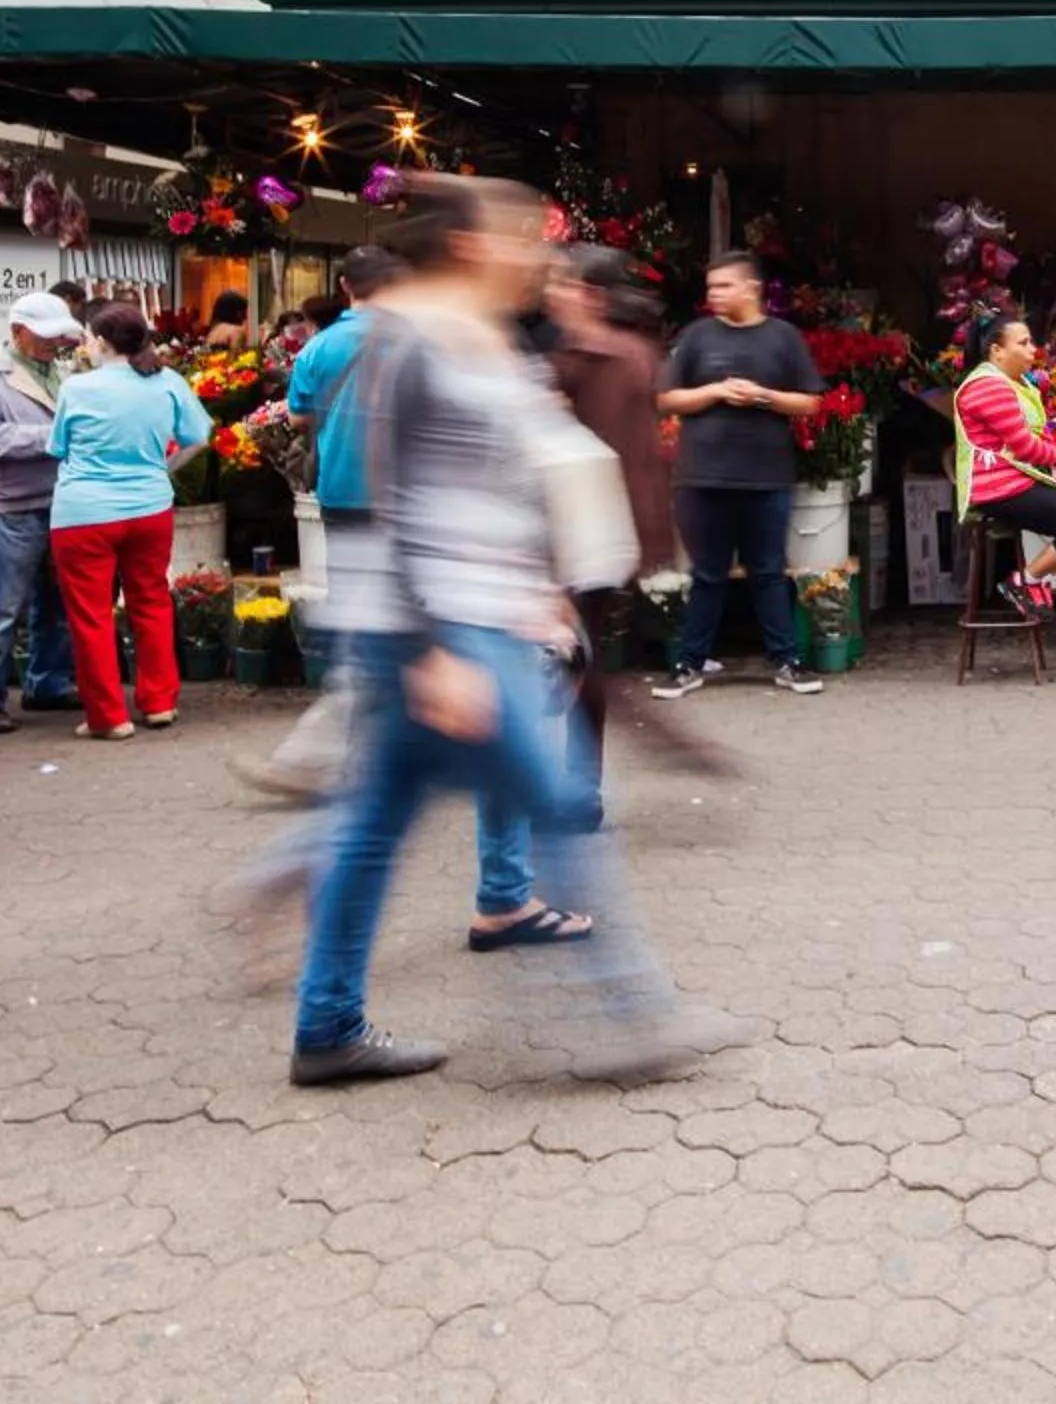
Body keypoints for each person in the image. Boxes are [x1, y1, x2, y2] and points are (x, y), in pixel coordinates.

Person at [292, 177, 697, 1086]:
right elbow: (393, 499)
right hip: (439, 627)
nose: (539, 257)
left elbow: (488, 481)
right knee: (557, 803)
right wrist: (435, 646)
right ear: (473, 246)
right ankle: (635, 1015)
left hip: (464, 616)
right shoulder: (412, 336)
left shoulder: (481, 335)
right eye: (525, 239)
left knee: (370, 826)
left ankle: (326, 1026)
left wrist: (536, 586)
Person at [235, 245, 405, 802]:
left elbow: (301, 414)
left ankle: (336, 757)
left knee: (362, 622)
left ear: (346, 288)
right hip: (408, 502)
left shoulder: (322, 345)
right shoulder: (414, 342)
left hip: (345, 495)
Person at [652, 253, 823, 700]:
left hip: (766, 475)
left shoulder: (783, 338)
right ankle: (689, 664)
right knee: (707, 573)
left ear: (752, 288)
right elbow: (666, 399)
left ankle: (787, 661)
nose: (713, 296)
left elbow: (810, 402)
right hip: (701, 475)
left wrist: (763, 397)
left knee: (768, 570)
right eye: (710, 288)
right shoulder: (696, 337)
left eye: (723, 286)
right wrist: (714, 391)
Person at [546, 247, 676, 800]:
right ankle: (577, 782)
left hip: (589, 532)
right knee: (580, 657)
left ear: (589, 295)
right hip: (597, 531)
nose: (549, 290)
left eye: (560, 281)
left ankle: (577, 786)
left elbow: (615, 453)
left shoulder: (607, 358)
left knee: (578, 659)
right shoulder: (603, 353)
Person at [47, 305, 211, 742]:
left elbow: (58, 447)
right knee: (152, 601)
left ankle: (107, 717)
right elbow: (200, 436)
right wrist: (164, 468)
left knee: (91, 615)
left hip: (83, 513)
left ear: (101, 341)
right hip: (149, 507)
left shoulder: (76, 388)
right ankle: (159, 703)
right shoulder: (167, 381)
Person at [0, 293, 85, 735]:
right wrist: (54, 438)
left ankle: (48, 683)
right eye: (45, 336)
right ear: (17, 331)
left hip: (60, 499)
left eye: (57, 336)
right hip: (10, 503)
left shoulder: (62, 371)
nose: (54, 344)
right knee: (2, 606)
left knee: (58, 603)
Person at [954, 310, 1056, 624]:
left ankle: (1034, 580)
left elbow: (1039, 437)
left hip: (1025, 478)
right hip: (999, 488)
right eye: (1024, 343)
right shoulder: (988, 387)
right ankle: (1025, 581)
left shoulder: (1016, 384)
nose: (1033, 350)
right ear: (996, 351)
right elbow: (1026, 448)